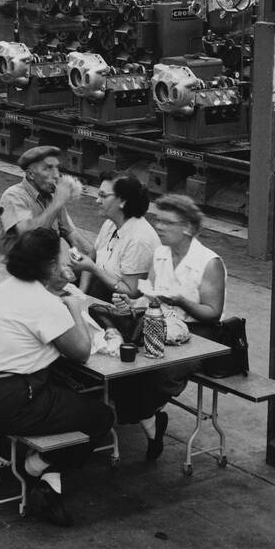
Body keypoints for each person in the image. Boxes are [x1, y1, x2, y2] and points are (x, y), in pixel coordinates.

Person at [0, 229, 114, 527]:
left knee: (62, 392)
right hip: (6, 400)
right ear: (50, 266)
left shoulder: (8, 286)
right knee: (100, 416)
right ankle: (33, 466)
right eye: (62, 255)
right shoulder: (44, 303)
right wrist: (74, 307)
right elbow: (81, 352)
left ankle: (50, 484)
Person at [108, 193, 227, 460]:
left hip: (198, 333)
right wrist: (131, 302)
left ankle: (144, 418)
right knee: (123, 363)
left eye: (167, 223)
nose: (159, 227)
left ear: (187, 228)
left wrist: (181, 300)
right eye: (158, 220)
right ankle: (150, 421)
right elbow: (148, 295)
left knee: (157, 374)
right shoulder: (160, 254)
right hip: (158, 323)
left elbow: (212, 312)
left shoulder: (208, 263)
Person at [0, 146, 89, 287]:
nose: (56, 175)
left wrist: (99, 264)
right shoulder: (13, 196)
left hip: (41, 273)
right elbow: (29, 238)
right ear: (30, 175)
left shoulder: (52, 198)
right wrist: (58, 202)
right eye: (48, 168)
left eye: (56, 168)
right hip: (11, 276)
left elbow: (75, 239)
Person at [74, 174, 158, 299]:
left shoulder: (138, 240)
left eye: (103, 196)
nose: (97, 201)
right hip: (100, 289)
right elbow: (91, 258)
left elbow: (132, 293)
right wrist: (81, 293)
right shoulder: (110, 223)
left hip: (120, 303)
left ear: (123, 201)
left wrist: (94, 269)